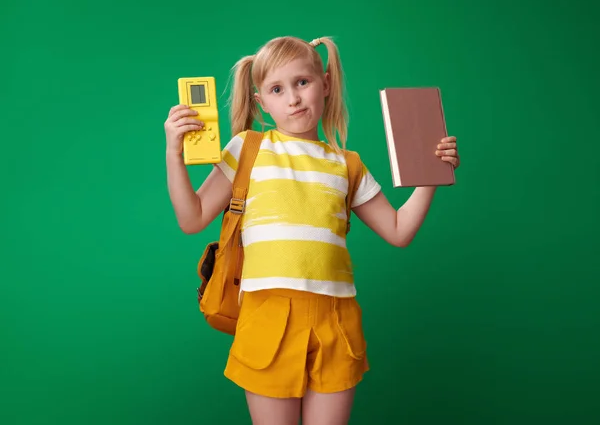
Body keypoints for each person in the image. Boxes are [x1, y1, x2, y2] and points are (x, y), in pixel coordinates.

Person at [164, 36, 460, 425]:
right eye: (277, 89)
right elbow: (193, 218)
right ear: (261, 102)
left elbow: (399, 231)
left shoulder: (347, 164)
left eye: (302, 82)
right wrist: (174, 153)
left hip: (336, 319)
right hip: (267, 317)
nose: (293, 98)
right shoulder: (247, 149)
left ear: (326, 82)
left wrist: (431, 176)